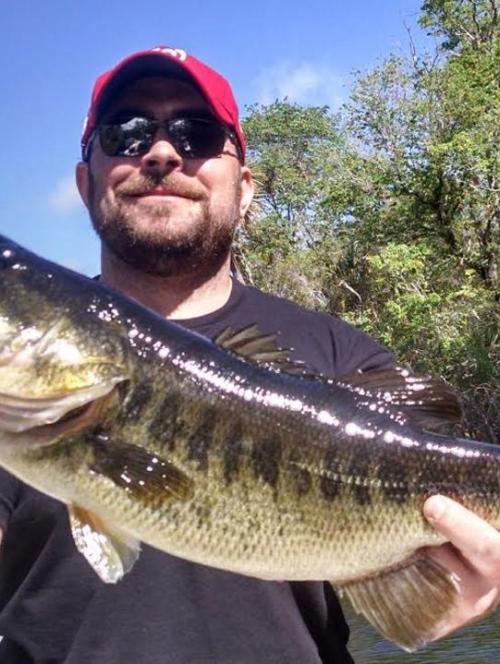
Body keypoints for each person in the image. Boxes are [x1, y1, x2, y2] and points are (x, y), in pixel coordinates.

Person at [0, 45, 499, 664]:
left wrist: (447, 585)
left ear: (244, 189)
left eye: (197, 133)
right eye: (125, 132)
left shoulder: (342, 357)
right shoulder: (17, 416)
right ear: (85, 183)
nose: (161, 152)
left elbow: (423, 579)